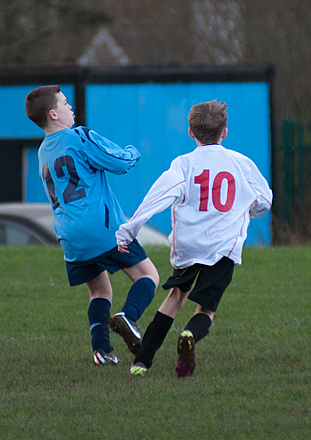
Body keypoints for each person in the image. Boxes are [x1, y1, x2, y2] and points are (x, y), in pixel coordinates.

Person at [115, 100, 273, 378]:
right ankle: (189, 334)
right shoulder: (241, 163)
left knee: (176, 297)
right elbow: (264, 200)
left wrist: (130, 229)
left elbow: (158, 197)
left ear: (190, 132)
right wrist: (250, 208)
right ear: (224, 132)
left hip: (189, 245)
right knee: (207, 308)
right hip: (224, 246)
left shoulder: (184, 164)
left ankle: (141, 362)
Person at [25, 86, 160, 365]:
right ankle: (129, 316)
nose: (70, 107)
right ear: (53, 113)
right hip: (100, 227)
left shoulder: (42, 151)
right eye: (64, 103)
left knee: (100, 291)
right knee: (148, 276)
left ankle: (101, 351)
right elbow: (118, 163)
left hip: (69, 235)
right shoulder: (78, 136)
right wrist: (133, 152)